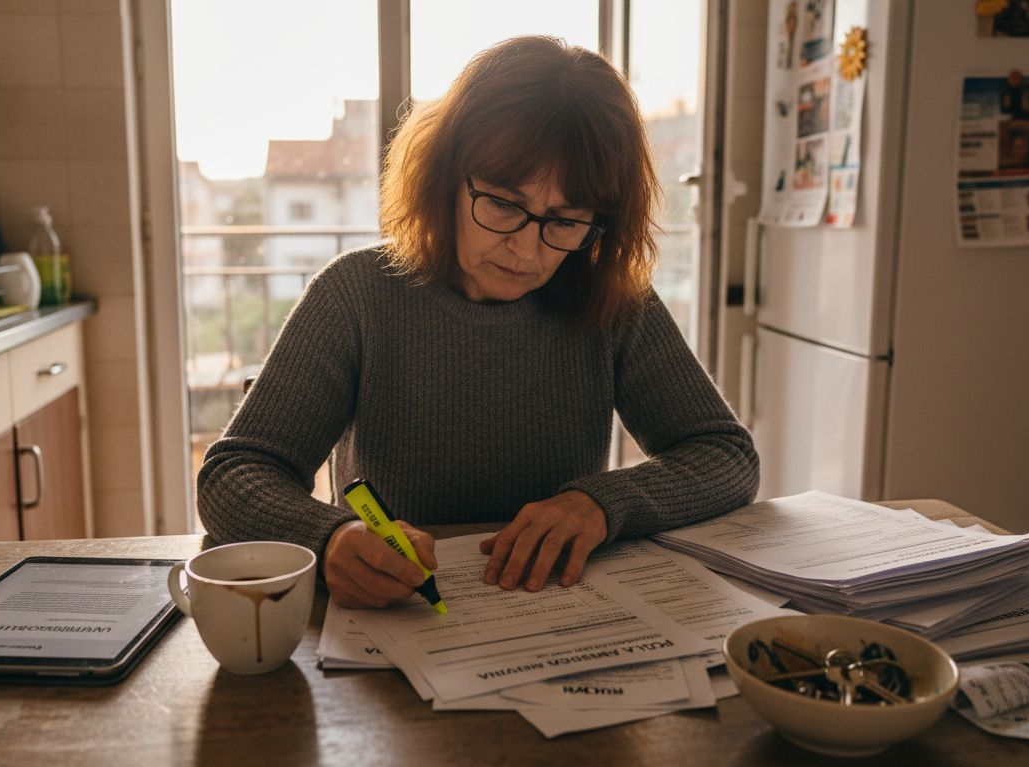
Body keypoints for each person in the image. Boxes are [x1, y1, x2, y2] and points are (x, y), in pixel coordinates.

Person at [197, 35, 759, 610]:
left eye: (564, 221)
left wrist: (601, 503)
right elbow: (235, 473)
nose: (525, 250)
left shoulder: (612, 301)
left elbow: (726, 455)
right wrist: (331, 536)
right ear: (444, 176)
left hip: (557, 617)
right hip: (396, 620)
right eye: (502, 205)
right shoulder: (356, 294)